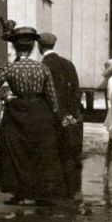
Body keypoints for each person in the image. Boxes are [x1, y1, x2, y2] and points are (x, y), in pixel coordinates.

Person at [0, 23, 68, 205]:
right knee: (40, 153)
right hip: (40, 112)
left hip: (16, 111)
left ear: (15, 47)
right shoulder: (42, 68)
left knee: (17, 153)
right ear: (33, 48)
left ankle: (20, 195)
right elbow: (52, 96)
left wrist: (5, 96)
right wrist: (57, 116)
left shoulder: (9, 68)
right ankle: (41, 195)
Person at [38, 32, 83, 197]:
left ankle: (52, 189)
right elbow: (76, 90)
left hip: (50, 115)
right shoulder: (68, 64)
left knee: (51, 153)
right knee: (68, 153)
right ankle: (70, 189)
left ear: (39, 46)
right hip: (69, 116)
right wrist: (71, 113)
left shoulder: (42, 66)